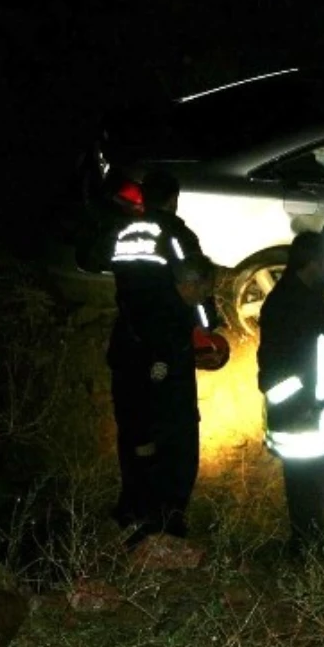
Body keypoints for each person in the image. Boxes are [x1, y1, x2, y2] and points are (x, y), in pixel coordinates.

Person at [107, 168, 216, 546]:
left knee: (135, 428)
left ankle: (133, 507)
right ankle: (169, 516)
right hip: (168, 346)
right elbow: (197, 287)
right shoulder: (177, 236)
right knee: (177, 432)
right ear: (173, 199)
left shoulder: (124, 233)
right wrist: (207, 328)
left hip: (128, 343)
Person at [257, 230, 324, 556]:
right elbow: (313, 364)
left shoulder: (287, 298)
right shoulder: (302, 305)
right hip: (305, 413)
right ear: (313, 262)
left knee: (304, 486)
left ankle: (305, 542)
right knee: (308, 486)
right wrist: (317, 401)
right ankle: (306, 547)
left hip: (298, 411)